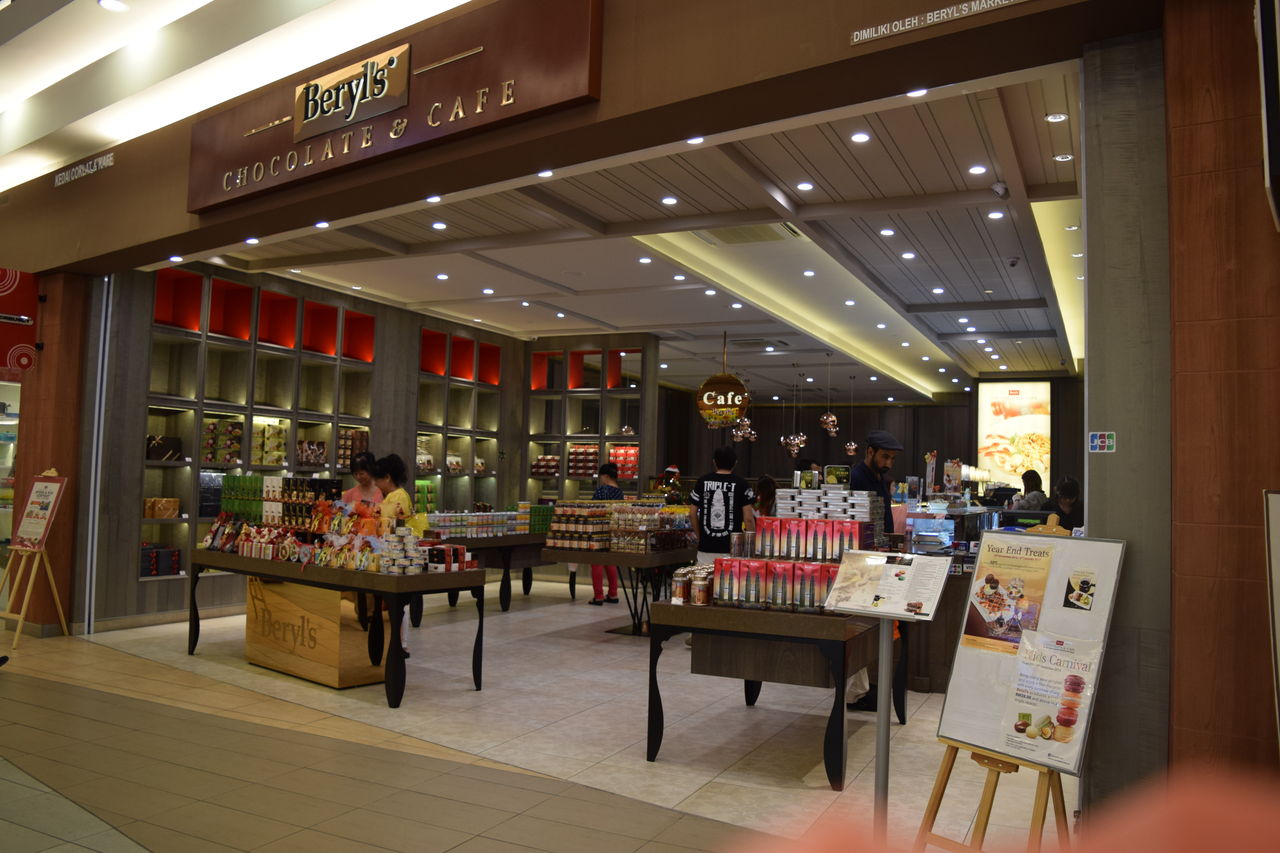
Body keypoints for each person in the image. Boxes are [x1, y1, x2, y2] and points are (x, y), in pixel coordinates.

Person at [689, 447, 755, 564]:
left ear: (714, 462)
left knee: (705, 576)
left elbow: (692, 514)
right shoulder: (741, 484)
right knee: (729, 576)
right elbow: (748, 519)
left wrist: (701, 537)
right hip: (733, 548)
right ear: (735, 463)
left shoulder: (702, 481)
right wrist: (752, 545)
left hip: (706, 549)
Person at [848, 429, 902, 534]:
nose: (889, 464)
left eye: (893, 459)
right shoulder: (856, 477)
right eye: (885, 457)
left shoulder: (880, 476)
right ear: (870, 452)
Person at [588, 463, 623, 606]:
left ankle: (598, 596)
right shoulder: (619, 491)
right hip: (613, 529)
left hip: (599, 528)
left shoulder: (602, 490)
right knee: (610, 561)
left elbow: (593, 508)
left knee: (596, 561)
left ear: (606, 476)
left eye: (601, 476)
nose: (601, 479)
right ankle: (613, 594)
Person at [372, 454, 412, 530]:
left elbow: (389, 524)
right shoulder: (394, 495)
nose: (375, 484)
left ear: (387, 477)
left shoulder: (398, 496)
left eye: (376, 480)